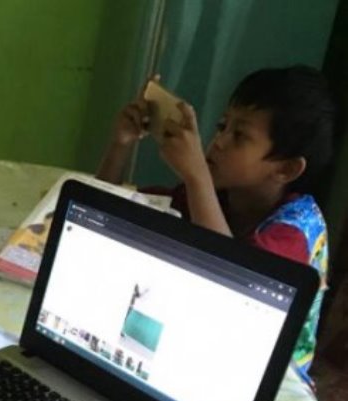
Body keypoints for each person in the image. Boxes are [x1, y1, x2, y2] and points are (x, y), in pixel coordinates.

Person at [97, 66, 336, 383]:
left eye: (239, 136)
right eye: (222, 126)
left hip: (265, 383)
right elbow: (108, 211)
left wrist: (197, 177)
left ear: (286, 169)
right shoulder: (219, 194)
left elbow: (230, 292)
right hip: (210, 346)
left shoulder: (293, 235)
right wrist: (120, 144)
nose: (218, 141)